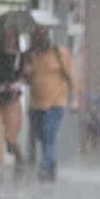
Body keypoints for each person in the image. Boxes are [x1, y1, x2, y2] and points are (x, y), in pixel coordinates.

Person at [24, 25, 78, 182]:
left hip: (55, 103)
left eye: (42, 34)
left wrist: (74, 100)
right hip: (35, 104)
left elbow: (71, 78)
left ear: (47, 36)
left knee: (49, 136)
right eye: (36, 34)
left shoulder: (59, 53)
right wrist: (26, 73)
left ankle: (44, 167)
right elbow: (28, 81)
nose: (39, 37)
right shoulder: (29, 56)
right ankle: (51, 164)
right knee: (41, 137)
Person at [0, 26, 25, 183]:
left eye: (12, 36)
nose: (9, 39)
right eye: (6, 36)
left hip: (12, 98)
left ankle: (16, 152)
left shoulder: (20, 56)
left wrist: (17, 84)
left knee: (11, 136)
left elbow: (23, 76)